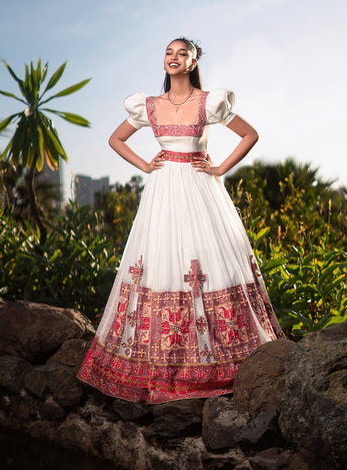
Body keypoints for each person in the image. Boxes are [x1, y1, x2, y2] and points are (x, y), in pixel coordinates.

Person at [77, 37, 284, 404]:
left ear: (193, 61)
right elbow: (116, 139)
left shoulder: (209, 102)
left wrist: (219, 168)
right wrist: (146, 166)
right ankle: (164, 360)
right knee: (161, 262)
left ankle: (221, 359)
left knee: (208, 262)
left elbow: (250, 134)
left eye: (181, 53)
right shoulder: (150, 106)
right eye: (168, 53)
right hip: (163, 190)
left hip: (201, 188)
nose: (173, 58)